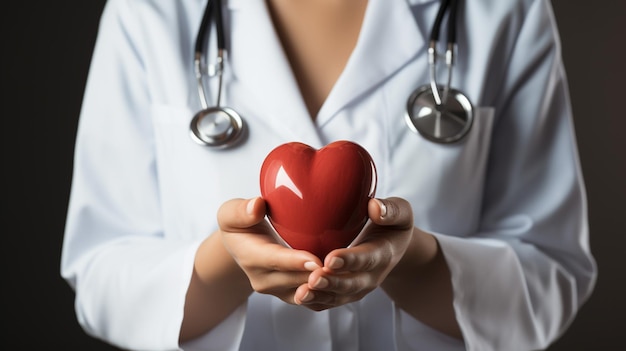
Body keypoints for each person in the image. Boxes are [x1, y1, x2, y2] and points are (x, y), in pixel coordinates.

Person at [60, 0, 597, 350]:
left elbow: (553, 272)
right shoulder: (147, 13)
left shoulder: (505, 12)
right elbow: (101, 269)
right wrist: (223, 264)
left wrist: (412, 261)